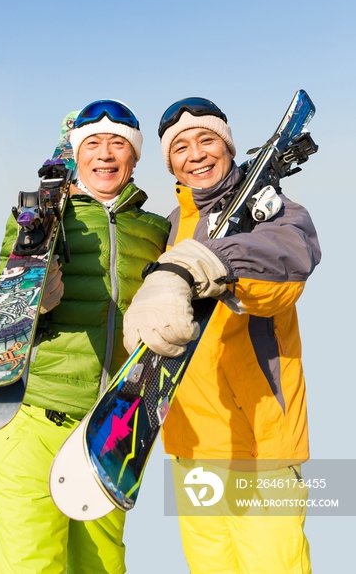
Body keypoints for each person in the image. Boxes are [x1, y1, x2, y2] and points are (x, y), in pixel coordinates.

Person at [123, 97, 321, 574]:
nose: (197, 154)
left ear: (228, 146)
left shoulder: (272, 212)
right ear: (170, 162)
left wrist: (209, 264)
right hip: (189, 442)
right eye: (181, 147)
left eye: (207, 140)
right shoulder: (171, 226)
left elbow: (289, 263)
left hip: (257, 442)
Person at [0, 100, 170, 574]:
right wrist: (34, 300)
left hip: (110, 429)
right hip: (32, 420)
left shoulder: (156, 231)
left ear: (134, 157)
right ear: (77, 153)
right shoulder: (40, 218)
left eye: (118, 145)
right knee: (26, 564)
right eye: (93, 144)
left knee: (101, 566)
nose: (105, 155)